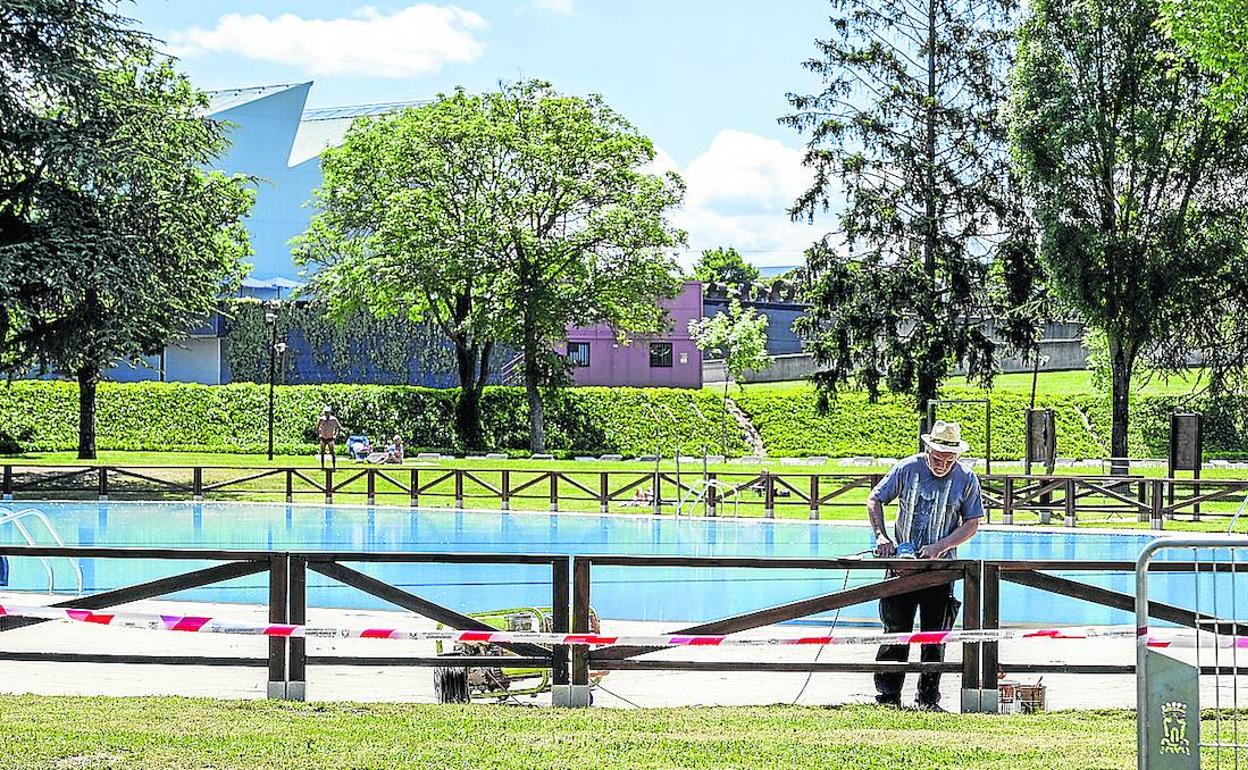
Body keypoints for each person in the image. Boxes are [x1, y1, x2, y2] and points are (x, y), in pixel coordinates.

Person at [866, 419, 984, 711]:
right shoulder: (907, 468)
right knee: (896, 632)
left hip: (941, 571)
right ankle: (888, 698)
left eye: (949, 459)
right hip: (902, 567)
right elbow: (875, 499)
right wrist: (881, 536)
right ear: (928, 449)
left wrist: (940, 547)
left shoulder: (967, 479)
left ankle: (928, 700)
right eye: (937, 457)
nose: (943, 464)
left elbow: (972, 523)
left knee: (935, 636)